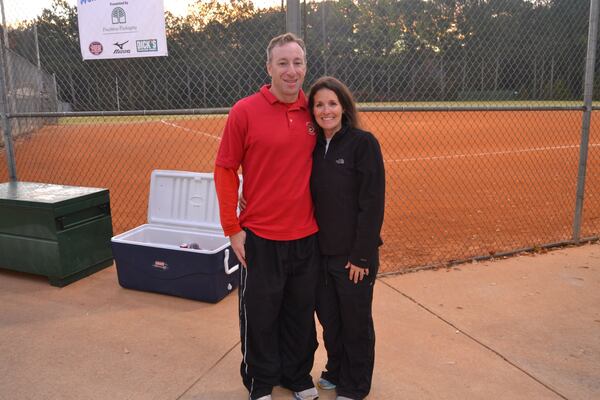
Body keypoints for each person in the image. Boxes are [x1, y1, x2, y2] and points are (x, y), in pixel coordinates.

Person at [214, 33, 320, 400]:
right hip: (260, 236)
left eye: (298, 63)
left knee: (300, 311)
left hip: (307, 236)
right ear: (269, 68)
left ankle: (297, 375)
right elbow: (225, 169)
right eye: (283, 63)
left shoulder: (316, 111)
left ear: (305, 66)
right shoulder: (244, 111)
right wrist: (233, 228)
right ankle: (260, 380)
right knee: (260, 314)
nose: (292, 71)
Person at [308, 76, 385, 400]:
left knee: (355, 323)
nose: (326, 110)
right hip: (320, 253)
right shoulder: (311, 147)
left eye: (332, 103)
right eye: (319, 105)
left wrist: (362, 256)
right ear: (312, 111)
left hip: (353, 256)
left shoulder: (362, 143)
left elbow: (372, 202)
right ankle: (336, 369)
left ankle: (355, 384)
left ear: (343, 106)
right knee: (331, 320)